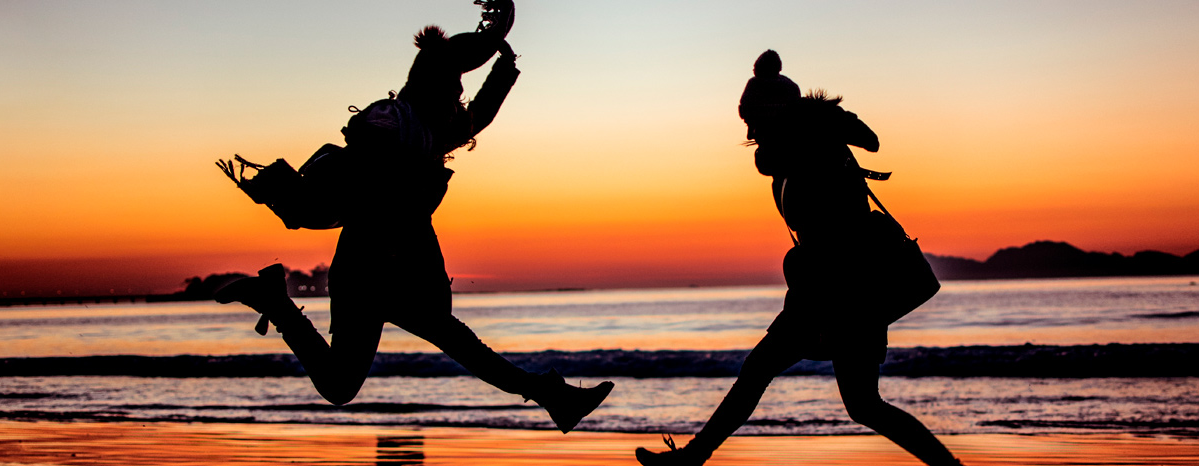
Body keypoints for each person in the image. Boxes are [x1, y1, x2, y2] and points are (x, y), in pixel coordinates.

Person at [215, 6, 613, 434]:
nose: (459, 93)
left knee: (350, 380)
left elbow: (481, 113)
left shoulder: (430, 129)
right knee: (437, 345)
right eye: (454, 83)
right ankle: (556, 397)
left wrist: (505, 63)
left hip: (391, 261)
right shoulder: (391, 119)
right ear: (433, 84)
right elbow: (372, 176)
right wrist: (493, 37)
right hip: (371, 263)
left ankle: (556, 397)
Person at [634, 50, 962, 466]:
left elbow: (840, 236)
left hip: (845, 293)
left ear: (773, 115)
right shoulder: (796, 154)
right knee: (818, 390)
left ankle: (693, 458)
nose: (749, 129)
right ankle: (693, 458)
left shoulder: (812, 154)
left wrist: (829, 318)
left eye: (753, 119)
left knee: (847, 400)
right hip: (826, 291)